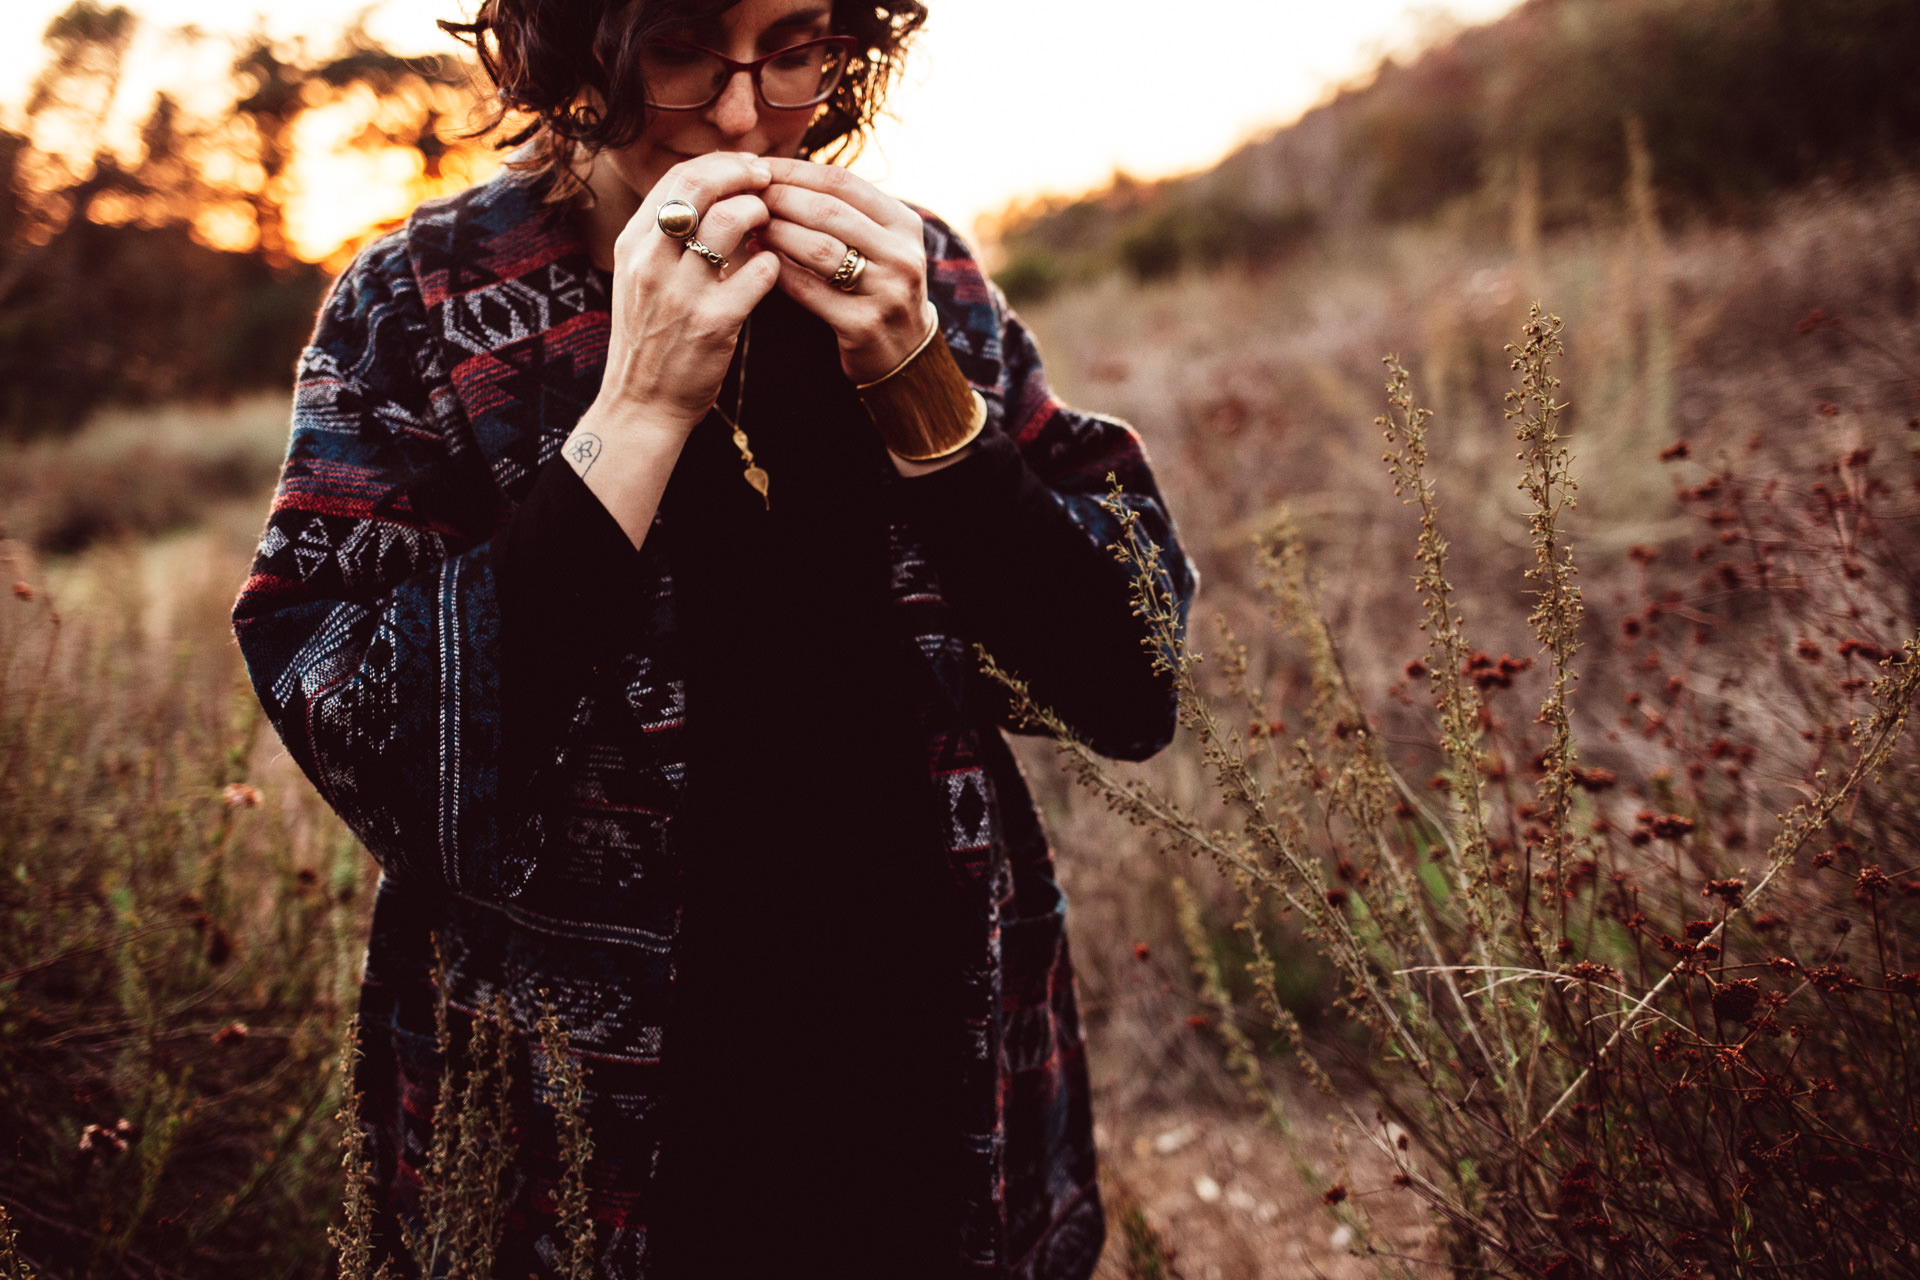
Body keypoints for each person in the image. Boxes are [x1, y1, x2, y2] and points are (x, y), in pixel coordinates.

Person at [233, 0, 1194, 1275]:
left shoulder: (912, 273)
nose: (744, 115)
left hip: (932, 1093)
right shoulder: (415, 303)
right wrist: (636, 406)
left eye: (794, 49)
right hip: (590, 1153)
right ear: (574, 48)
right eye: (684, 49)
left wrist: (921, 382)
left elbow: (1126, 685)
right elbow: (381, 756)